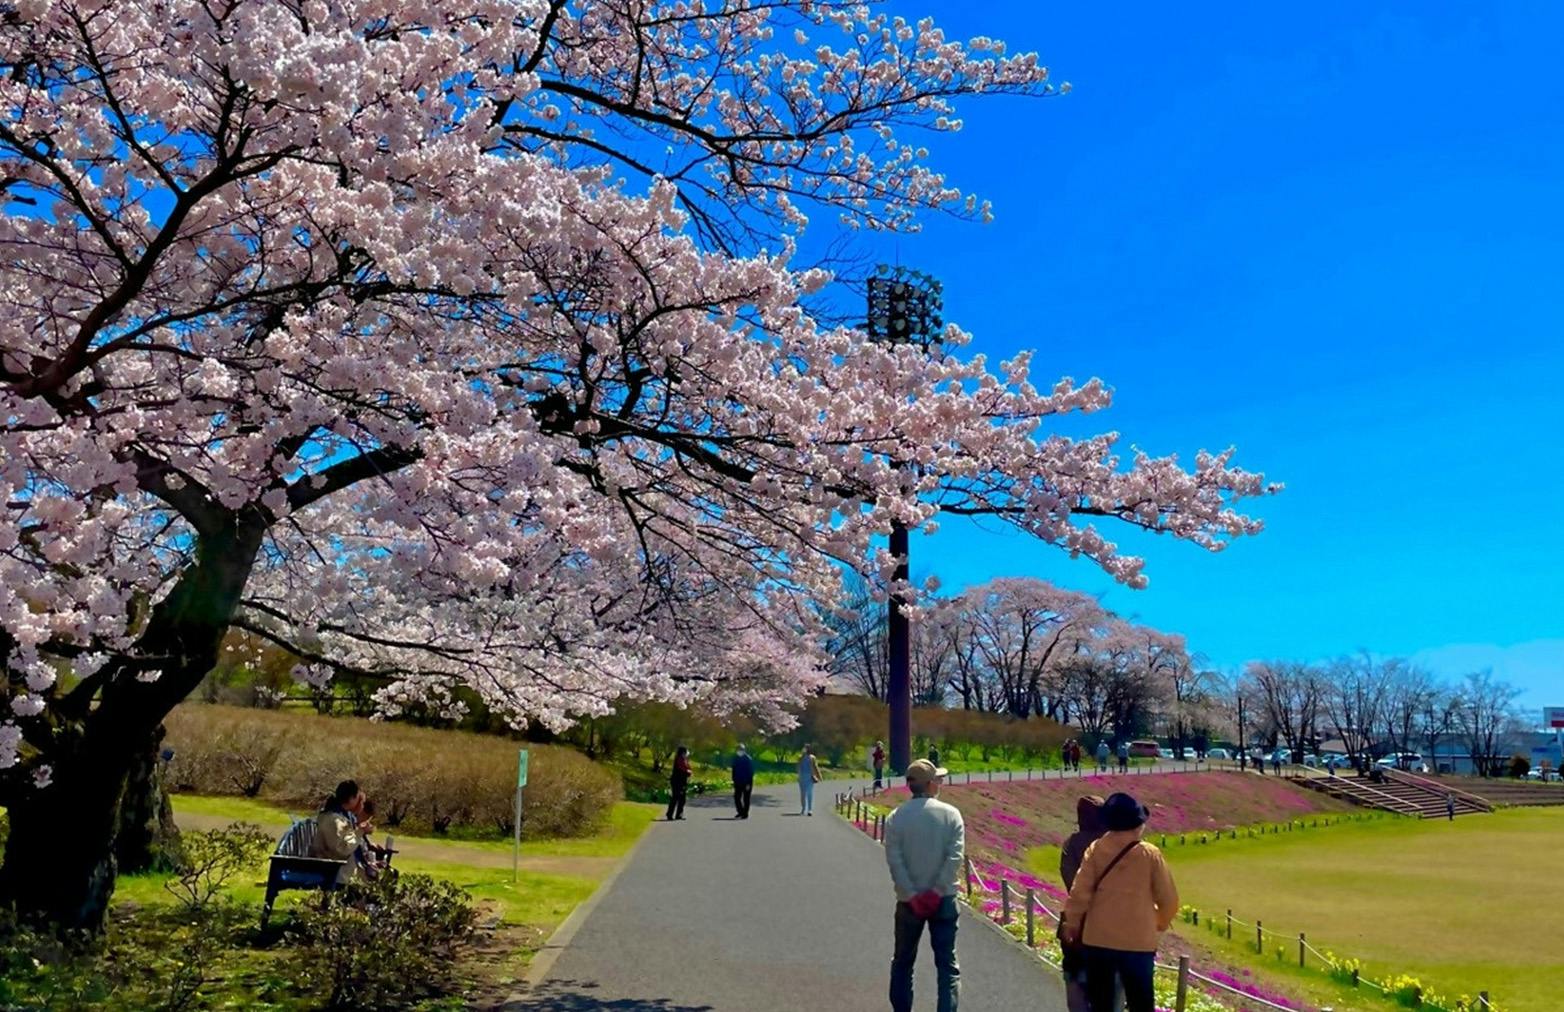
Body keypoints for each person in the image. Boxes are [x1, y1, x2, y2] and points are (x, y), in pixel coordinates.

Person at [1061, 793, 1179, 1012]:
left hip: (1098, 941)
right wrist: (1158, 923)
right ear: (1138, 824)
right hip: (1138, 943)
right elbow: (1169, 900)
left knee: (1102, 1004)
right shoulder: (1150, 854)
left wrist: (1072, 924)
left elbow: (1079, 893)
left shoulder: (1096, 850)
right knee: (1141, 1003)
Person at [884, 759, 964, 1012]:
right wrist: (937, 891)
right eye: (938, 780)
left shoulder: (896, 817)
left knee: (903, 961)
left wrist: (911, 893)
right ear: (930, 784)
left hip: (909, 901)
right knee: (947, 965)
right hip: (944, 898)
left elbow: (894, 860)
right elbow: (955, 857)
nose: (940, 783)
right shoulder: (951, 814)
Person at [1058, 796, 1108, 1012]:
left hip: (1076, 926)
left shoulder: (1072, 843)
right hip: (1109, 928)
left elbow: (1069, 880)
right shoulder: (1111, 844)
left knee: (1075, 982)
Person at [311, 779, 366, 885]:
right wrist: (360, 832)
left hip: (338, 865)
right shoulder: (334, 819)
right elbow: (341, 850)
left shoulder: (340, 816)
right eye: (357, 798)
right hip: (334, 869)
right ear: (351, 799)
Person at [667, 746, 691, 821]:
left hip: (682, 782)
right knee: (675, 798)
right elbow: (683, 770)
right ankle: (670, 814)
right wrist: (688, 772)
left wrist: (689, 771)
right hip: (677, 781)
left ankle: (679, 814)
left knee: (682, 799)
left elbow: (688, 768)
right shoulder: (679, 759)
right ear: (682, 752)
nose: (687, 754)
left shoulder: (684, 759)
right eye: (686, 752)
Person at [732, 744, 755, 819]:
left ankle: (745, 813)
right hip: (738, 782)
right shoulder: (736, 759)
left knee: (746, 798)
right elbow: (734, 770)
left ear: (744, 751)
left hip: (746, 782)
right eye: (738, 750)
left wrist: (749, 783)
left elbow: (750, 772)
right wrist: (734, 779)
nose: (739, 752)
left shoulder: (748, 759)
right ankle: (740, 811)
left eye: (741, 750)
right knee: (736, 797)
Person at [798, 744, 821, 816]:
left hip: (810, 777)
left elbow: (815, 767)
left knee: (809, 793)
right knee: (803, 794)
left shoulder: (812, 758)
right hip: (802, 777)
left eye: (805, 748)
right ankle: (803, 808)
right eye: (804, 748)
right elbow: (798, 767)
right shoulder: (801, 758)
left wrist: (819, 776)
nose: (804, 749)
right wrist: (799, 776)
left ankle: (810, 810)